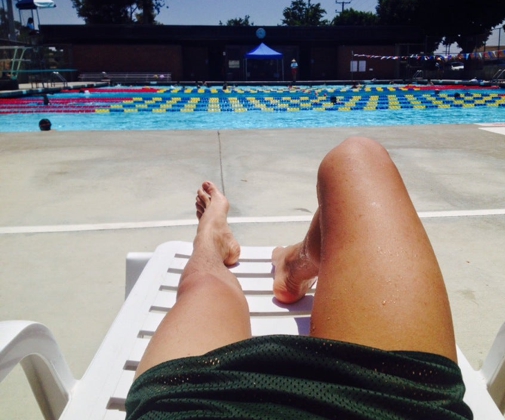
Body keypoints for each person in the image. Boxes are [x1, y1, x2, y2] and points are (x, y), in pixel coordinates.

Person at [126, 137, 472, 419]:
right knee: (357, 159)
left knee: (205, 283)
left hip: (200, 404)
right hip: (392, 402)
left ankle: (211, 240)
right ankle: (295, 262)